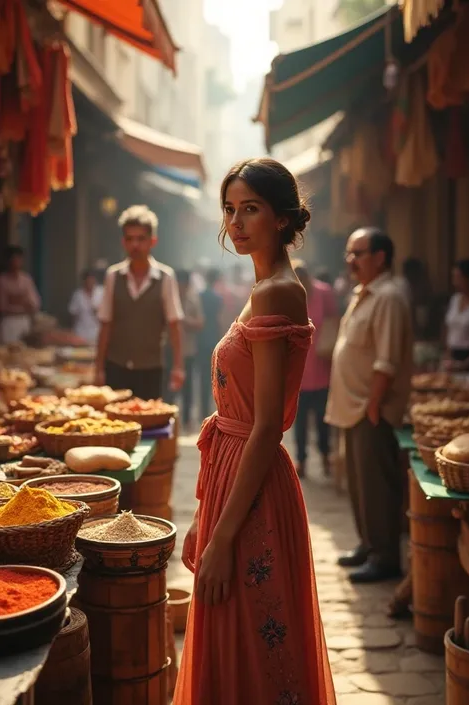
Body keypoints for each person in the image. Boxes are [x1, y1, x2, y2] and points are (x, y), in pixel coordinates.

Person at [174, 158, 335, 705]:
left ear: (283, 220)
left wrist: (221, 538)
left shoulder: (276, 292)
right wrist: (204, 517)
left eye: (251, 209)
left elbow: (266, 426)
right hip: (232, 473)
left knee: (253, 640)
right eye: (229, 209)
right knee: (231, 633)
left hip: (255, 484)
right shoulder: (263, 286)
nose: (236, 222)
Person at [326, 227, 413, 584]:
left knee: (377, 486)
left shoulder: (389, 296)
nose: (350, 260)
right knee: (359, 484)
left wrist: (375, 402)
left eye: (358, 253)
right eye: (349, 253)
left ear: (380, 257)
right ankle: (368, 544)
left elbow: (386, 360)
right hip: (353, 405)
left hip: (370, 407)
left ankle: (384, 555)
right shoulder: (364, 293)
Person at [95, 205, 185, 400]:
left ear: (152, 241)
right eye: (129, 239)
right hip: (116, 366)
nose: (135, 245)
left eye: (141, 239)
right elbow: (105, 324)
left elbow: (174, 325)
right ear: (123, 242)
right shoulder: (113, 276)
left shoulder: (165, 277)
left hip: (150, 368)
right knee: (114, 425)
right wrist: (99, 368)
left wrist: (178, 367)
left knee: (148, 422)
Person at [293, 262, 338, 478]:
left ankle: (325, 456)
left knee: (322, 420)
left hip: (321, 367)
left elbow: (334, 321)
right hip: (298, 372)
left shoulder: (324, 292)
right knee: (299, 421)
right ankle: (301, 460)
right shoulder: (289, 295)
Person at [176, 269, 204, 431]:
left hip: (188, 350)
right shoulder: (169, 297)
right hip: (170, 350)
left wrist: (183, 321)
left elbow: (200, 323)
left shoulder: (193, 300)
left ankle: (186, 420)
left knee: (187, 389)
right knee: (169, 389)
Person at [0, 246, 41, 344]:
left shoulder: (26, 280)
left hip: (24, 321)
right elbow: (2, 306)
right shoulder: (2, 281)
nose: (16, 262)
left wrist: (18, 300)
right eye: (14, 259)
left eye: (19, 259)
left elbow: (35, 304)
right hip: (9, 322)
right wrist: (19, 303)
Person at [197, 268, 224, 420]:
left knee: (201, 376)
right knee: (214, 376)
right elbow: (219, 320)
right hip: (213, 338)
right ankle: (214, 408)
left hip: (201, 339)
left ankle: (203, 410)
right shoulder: (218, 298)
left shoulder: (199, 296)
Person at [444, 259, 469, 373]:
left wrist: (464, 365)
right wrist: (447, 356)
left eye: (459, 277)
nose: (455, 282)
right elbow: (449, 329)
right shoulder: (455, 299)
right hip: (452, 356)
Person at [68, 269, 103, 345]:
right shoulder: (78, 295)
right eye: (88, 281)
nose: (90, 283)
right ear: (84, 281)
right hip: (81, 332)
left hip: (97, 331)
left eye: (92, 280)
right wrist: (72, 331)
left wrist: (98, 311)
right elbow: (73, 314)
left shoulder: (101, 292)